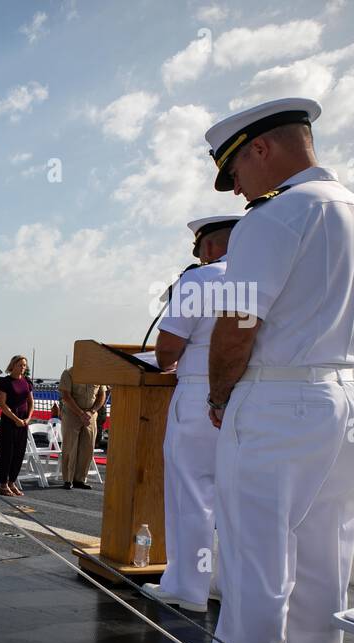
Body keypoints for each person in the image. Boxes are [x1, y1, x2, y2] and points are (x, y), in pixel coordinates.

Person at [162, 96, 354, 643]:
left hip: (278, 400)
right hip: (344, 400)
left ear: (261, 148)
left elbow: (237, 324)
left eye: (234, 172)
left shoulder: (275, 217)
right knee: (326, 564)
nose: (237, 189)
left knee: (256, 560)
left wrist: (224, 398)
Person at [142, 214, 240, 613]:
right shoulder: (261, 278)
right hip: (246, 396)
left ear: (210, 247)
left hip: (199, 391)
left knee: (191, 493)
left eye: (199, 249)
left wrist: (167, 361)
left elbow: (167, 350)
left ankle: (186, 587)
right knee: (232, 497)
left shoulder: (199, 280)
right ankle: (222, 582)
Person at [57, 365, 107, 490]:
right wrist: (80, 413)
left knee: (87, 447)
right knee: (70, 446)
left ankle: (80, 479)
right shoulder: (69, 373)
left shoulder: (98, 374)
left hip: (90, 415)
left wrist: (92, 411)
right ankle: (68, 479)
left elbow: (102, 395)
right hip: (72, 413)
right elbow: (66, 396)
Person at [0, 355, 33, 496]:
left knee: (19, 453)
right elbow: (2, 404)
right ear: (13, 365)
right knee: (7, 453)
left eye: (24, 365)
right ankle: (3, 483)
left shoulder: (27, 381)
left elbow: (30, 402)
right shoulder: (5, 382)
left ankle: (12, 481)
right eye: (20, 365)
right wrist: (15, 419)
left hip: (23, 422)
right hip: (9, 422)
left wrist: (28, 418)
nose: (22, 367)